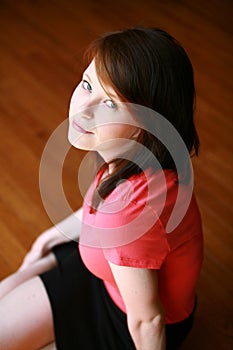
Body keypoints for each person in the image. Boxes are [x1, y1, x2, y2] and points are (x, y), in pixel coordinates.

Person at [0, 26, 203, 350]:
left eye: (110, 104)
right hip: (103, 270)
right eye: (86, 84)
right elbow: (98, 209)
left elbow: (147, 321)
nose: (83, 109)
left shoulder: (135, 211)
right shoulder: (133, 157)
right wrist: (47, 241)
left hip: (126, 320)